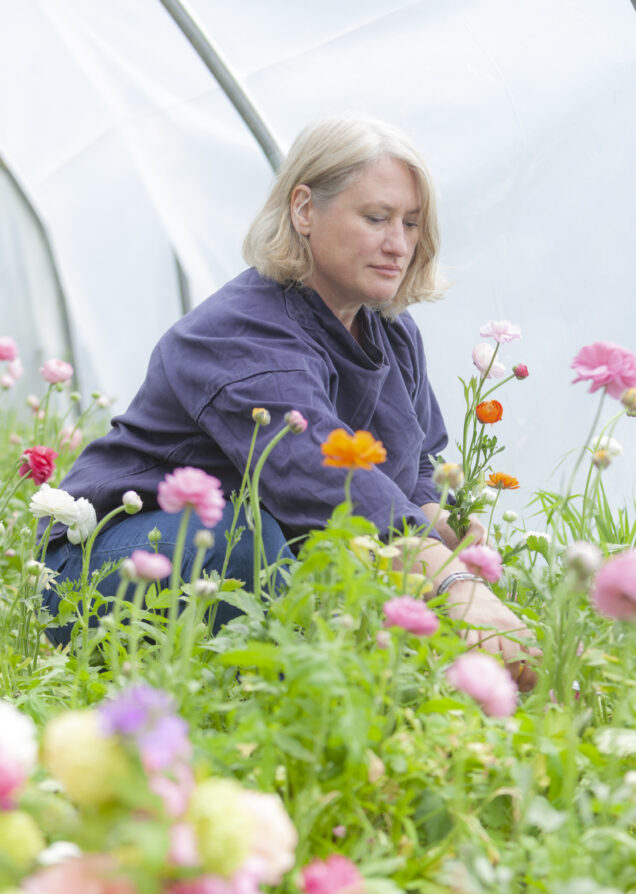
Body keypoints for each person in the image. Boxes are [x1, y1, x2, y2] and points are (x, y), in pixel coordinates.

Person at [42, 115, 536, 686]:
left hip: (250, 552)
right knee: (247, 545)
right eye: (376, 218)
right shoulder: (241, 330)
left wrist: (445, 531)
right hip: (110, 558)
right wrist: (451, 583)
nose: (399, 244)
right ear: (304, 209)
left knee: (342, 576)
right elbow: (315, 471)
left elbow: (416, 465)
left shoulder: (391, 331)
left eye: (411, 223)